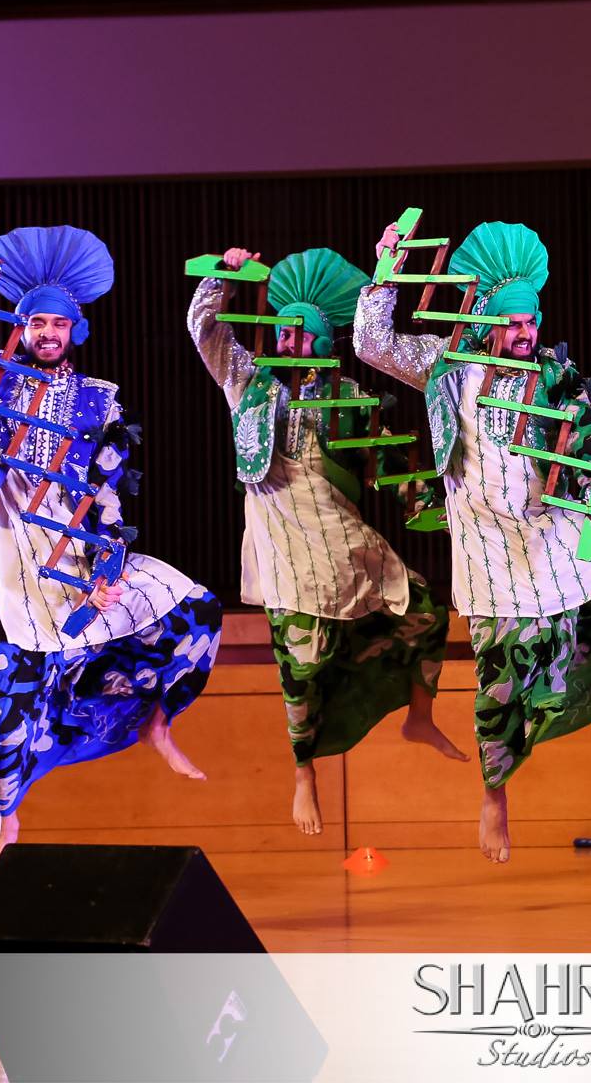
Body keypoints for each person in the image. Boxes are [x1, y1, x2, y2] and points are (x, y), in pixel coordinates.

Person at [356, 218, 591, 863]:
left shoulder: (555, 380)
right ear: (485, 321)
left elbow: (590, 457)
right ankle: (495, 792)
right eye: (511, 323)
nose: (524, 333)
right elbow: (371, 343)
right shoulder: (448, 369)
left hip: (559, 539)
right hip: (491, 554)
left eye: (530, 322)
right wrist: (387, 267)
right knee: (504, 685)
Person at [0, 218, 223, 883]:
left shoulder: (99, 401)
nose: (48, 334)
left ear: (74, 329)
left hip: (76, 565)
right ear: (20, 328)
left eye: (59, 324)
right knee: (7, 703)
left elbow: (107, 495)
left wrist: (108, 569)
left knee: (195, 610)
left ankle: (159, 722)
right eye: (37, 324)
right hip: (10, 564)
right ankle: (5, 824)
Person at [187, 244, 462, 837]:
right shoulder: (249, 387)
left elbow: (387, 468)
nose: (287, 345)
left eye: (300, 336)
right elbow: (204, 330)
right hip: (286, 553)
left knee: (427, 610)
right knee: (302, 670)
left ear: (322, 342)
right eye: (282, 334)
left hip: (346, 544)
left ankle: (420, 715)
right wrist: (223, 279)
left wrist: (428, 503)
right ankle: (303, 769)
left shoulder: (350, 403)